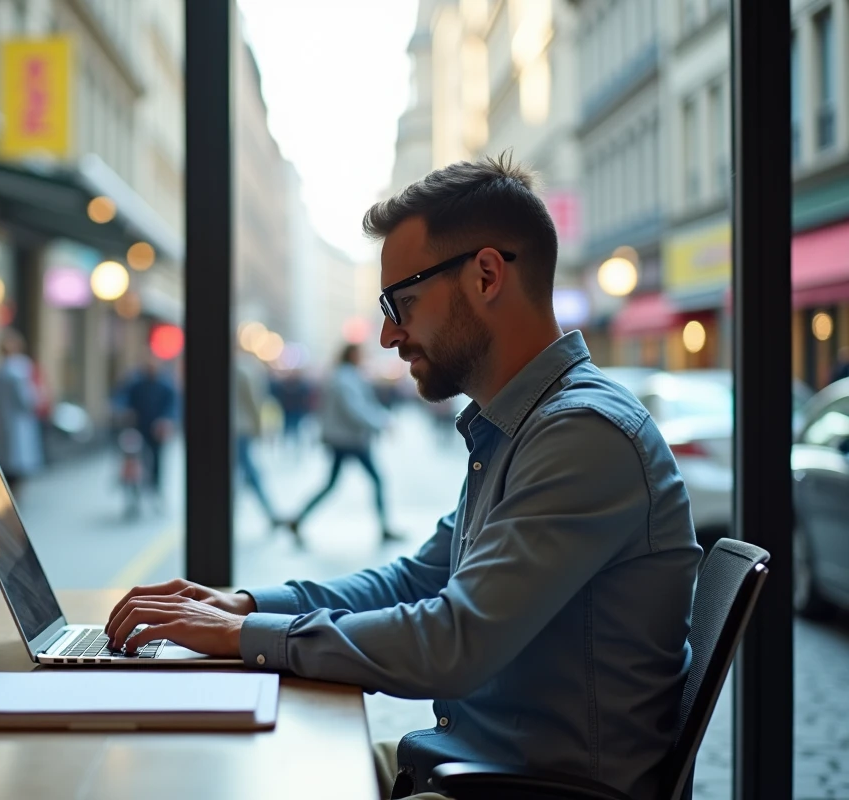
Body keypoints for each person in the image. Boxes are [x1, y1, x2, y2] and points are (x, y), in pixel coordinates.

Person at [101, 155, 702, 800]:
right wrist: (246, 607)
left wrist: (244, 637)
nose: (389, 334)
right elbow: (415, 580)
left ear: (487, 275)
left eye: (402, 302)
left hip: (525, 789)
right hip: (473, 769)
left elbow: (452, 641)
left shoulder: (581, 436)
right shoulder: (521, 428)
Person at [286, 343, 399, 546]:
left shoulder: (343, 376)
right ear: (352, 356)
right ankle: (384, 528)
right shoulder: (345, 379)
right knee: (376, 480)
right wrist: (381, 424)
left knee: (332, 484)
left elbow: (360, 406)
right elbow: (355, 409)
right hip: (349, 440)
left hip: (344, 438)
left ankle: (298, 519)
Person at [0, 330, 44, 497]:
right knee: (16, 465)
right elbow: (28, 400)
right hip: (17, 425)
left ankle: (8, 496)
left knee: (7, 463)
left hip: (2, 425)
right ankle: (13, 498)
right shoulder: (20, 369)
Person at [113, 360, 178, 503]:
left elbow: (172, 406)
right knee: (130, 453)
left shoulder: (165, 385)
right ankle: (131, 481)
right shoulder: (136, 383)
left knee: (156, 457)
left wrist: (166, 420)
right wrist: (122, 409)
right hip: (137, 426)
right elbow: (123, 397)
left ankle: (155, 487)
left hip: (156, 428)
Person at [235, 352, 280, 526]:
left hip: (238, 429)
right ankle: (269, 511)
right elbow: (254, 401)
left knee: (246, 469)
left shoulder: (241, 370)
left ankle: (268, 510)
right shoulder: (245, 371)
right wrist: (259, 428)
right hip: (242, 428)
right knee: (249, 471)